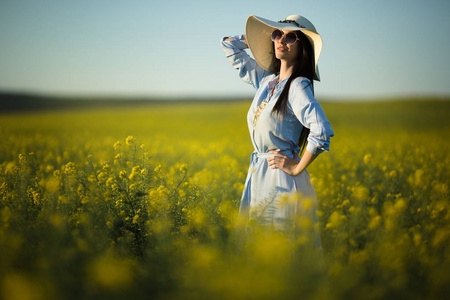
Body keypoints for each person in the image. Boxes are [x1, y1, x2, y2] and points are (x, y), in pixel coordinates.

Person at [220, 15, 334, 234]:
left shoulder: (298, 85)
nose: (282, 40)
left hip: (282, 178)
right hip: (260, 173)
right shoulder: (267, 81)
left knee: (281, 249)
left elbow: (321, 130)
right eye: (277, 34)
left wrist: (297, 167)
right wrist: (259, 39)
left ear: (304, 48)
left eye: (291, 37)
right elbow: (229, 45)